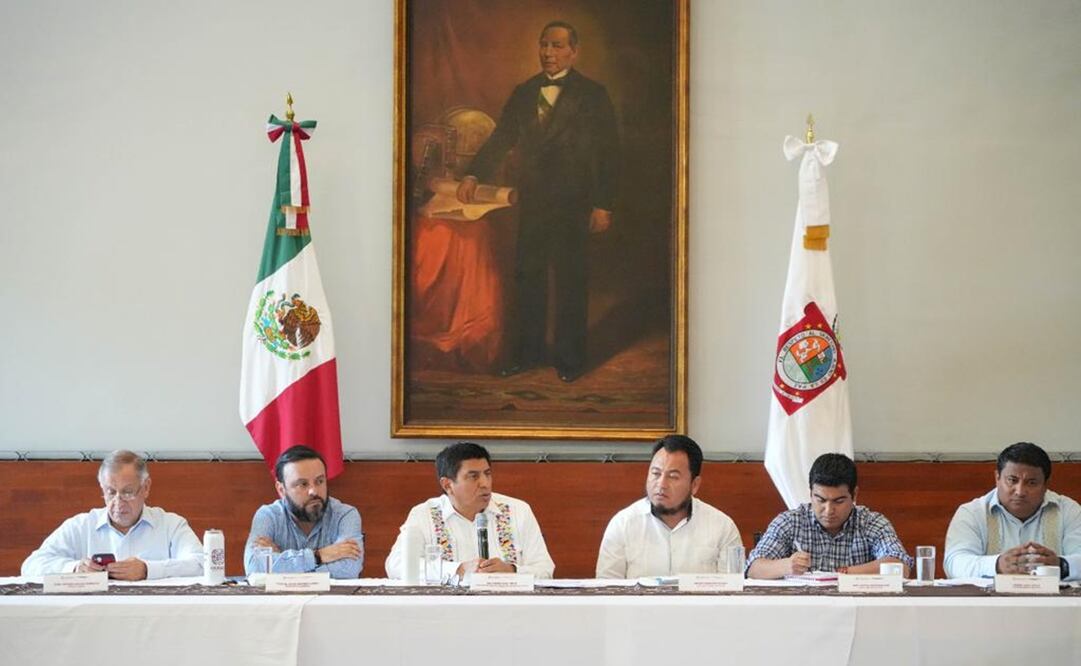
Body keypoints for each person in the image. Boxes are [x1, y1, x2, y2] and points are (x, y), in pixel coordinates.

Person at [457, 20, 619, 383]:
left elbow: (609, 154)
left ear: (573, 52)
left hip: (574, 203)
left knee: (570, 280)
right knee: (528, 278)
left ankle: (570, 359)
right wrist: (474, 174)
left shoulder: (593, 95)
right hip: (533, 202)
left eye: (558, 46)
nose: (549, 52)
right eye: (544, 44)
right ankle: (528, 354)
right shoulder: (525, 92)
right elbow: (502, 137)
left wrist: (603, 204)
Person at [21, 449, 203, 580]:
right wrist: (74, 568)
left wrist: (148, 570)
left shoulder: (171, 525)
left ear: (146, 487)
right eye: (110, 492)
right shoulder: (81, 526)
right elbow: (31, 566)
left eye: (127, 492)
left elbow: (202, 565)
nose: (118, 502)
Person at [385, 442, 554, 581]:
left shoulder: (518, 510)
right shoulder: (424, 514)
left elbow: (545, 569)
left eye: (487, 474)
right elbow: (396, 566)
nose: (485, 483)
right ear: (447, 485)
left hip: (508, 610)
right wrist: (459, 569)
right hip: (446, 613)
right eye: (473, 476)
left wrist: (512, 571)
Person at [596, 435, 743, 578]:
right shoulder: (622, 524)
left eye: (673, 476)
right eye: (655, 473)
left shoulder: (723, 527)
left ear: (694, 485)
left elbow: (733, 591)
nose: (661, 484)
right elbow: (606, 590)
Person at [747, 453, 913, 578]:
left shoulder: (871, 522)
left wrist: (842, 574)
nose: (828, 510)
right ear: (811, 493)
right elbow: (753, 568)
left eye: (838, 501)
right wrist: (786, 566)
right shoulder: (790, 521)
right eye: (820, 500)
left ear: (854, 495)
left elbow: (901, 567)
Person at [944, 442, 1080, 580]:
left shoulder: (1068, 511)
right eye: (1012, 480)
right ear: (997, 478)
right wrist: (997, 565)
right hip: (990, 602)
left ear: (1046, 485)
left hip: (1056, 601)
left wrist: (1062, 565)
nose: (1020, 492)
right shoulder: (972, 513)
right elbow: (954, 564)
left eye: (1031, 482)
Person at [243, 445, 363, 578]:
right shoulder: (268, 516)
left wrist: (282, 561)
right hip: (279, 599)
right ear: (281, 490)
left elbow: (349, 569)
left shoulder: (345, 515)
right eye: (303, 484)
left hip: (331, 598)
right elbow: (254, 568)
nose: (314, 491)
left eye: (319, 481)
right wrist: (319, 556)